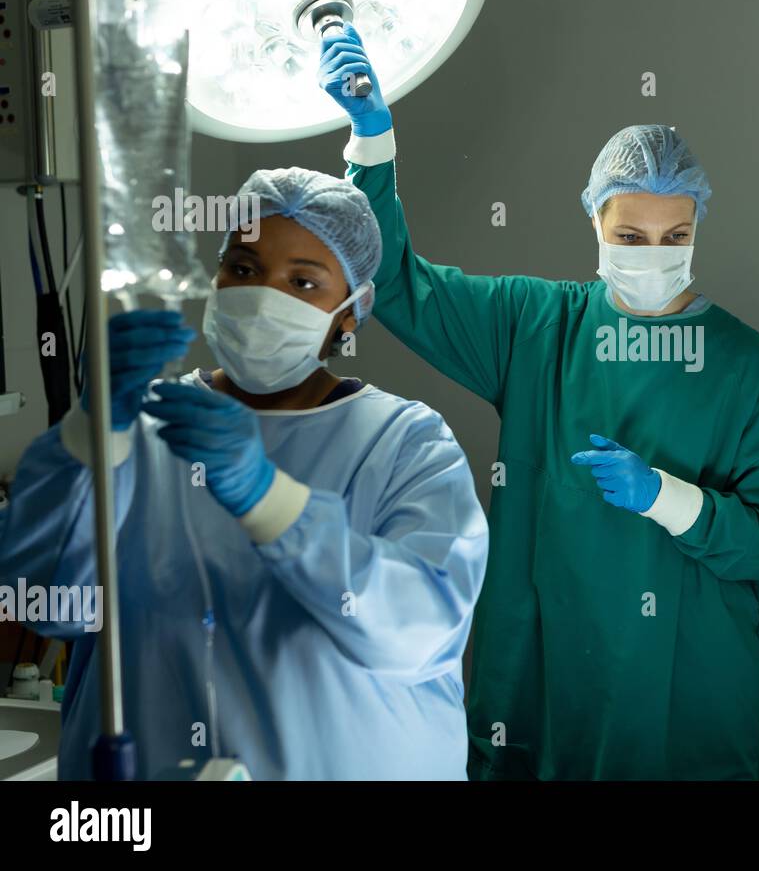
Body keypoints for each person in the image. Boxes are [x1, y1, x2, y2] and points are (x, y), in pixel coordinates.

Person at [319, 25, 759, 780]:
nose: (652, 254)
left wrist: (667, 497)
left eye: (674, 235)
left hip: (689, 685)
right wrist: (373, 140)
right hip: (551, 671)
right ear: (594, 219)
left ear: (698, 225)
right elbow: (401, 283)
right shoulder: (533, 325)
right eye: (630, 234)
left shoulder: (747, 364)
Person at [0, 167, 488, 779]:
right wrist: (85, 431)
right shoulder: (140, 427)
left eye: (304, 282)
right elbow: (48, 604)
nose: (264, 296)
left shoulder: (405, 444)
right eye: (245, 268)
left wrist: (273, 503)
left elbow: (419, 631)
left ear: (351, 311)